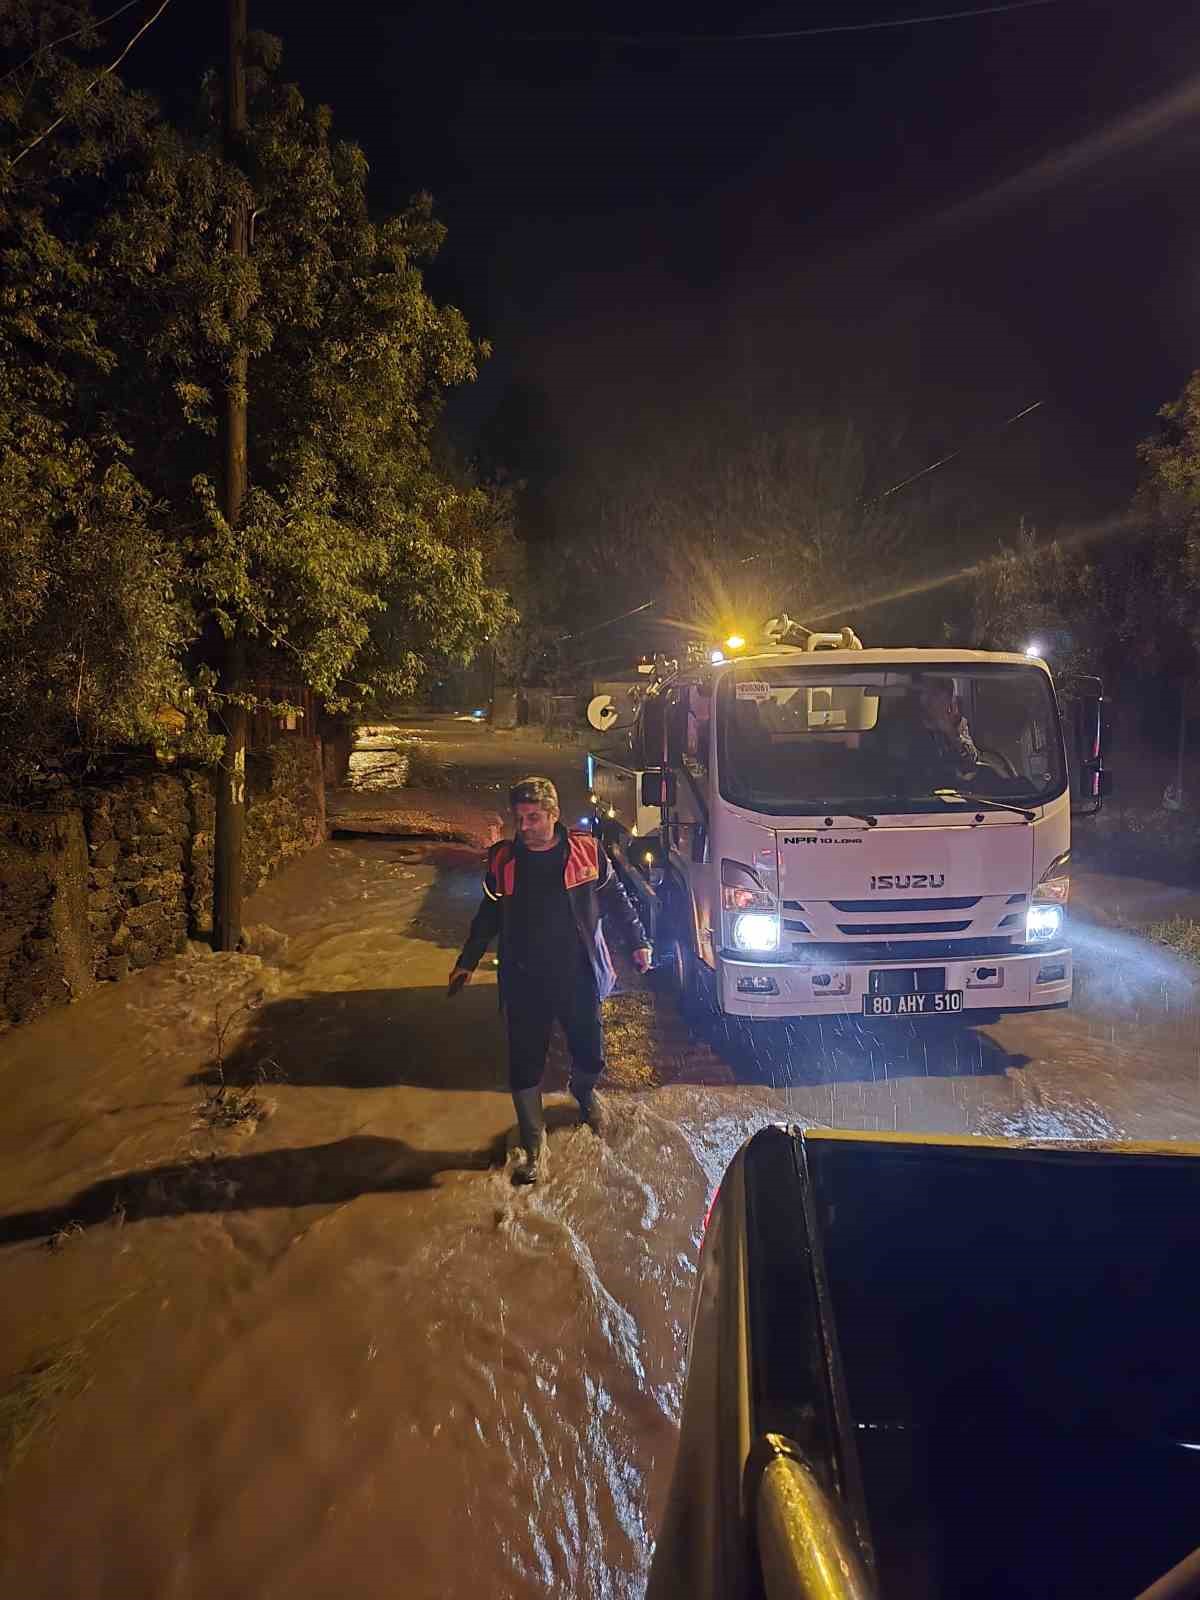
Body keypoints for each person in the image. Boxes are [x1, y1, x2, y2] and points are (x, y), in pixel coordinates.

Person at [450, 777, 653, 1185]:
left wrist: (638, 942)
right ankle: (533, 1144)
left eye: (534, 817)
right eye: (519, 818)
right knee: (524, 1063)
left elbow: (617, 900)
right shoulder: (504, 861)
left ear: (554, 814)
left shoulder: (587, 852)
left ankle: (584, 1093)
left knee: (591, 1049)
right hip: (524, 979)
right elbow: (487, 916)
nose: (524, 826)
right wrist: (467, 961)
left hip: (578, 973)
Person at [901, 676, 980, 789]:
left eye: (935, 694)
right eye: (924, 693)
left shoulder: (958, 724)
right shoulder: (908, 726)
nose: (928, 699)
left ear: (949, 698)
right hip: (918, 795)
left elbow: (971, 765)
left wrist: (951, 733)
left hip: (955, 794)